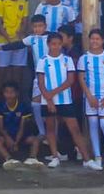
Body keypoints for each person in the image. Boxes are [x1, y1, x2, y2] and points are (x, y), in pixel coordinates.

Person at [36, 33, 100, 171]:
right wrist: (49, 99)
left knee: (75, 129)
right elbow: (41, 83)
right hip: (47, 100)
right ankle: (55, 157)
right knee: (50, 129)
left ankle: (87, 159)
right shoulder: (43, 61)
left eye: (59, 44)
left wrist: (52, 94)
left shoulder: (67, 59)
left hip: (65, 100)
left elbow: (70, 81)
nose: (56, 47)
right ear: (48, 44)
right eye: (53, 44)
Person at [0, 14, 51, 146]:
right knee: (35, 104)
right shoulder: (31, 39)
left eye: (40, 26)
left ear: (45, 26)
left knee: (52, 106)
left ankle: (52, 134)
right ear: (32, 27)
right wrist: (0, 48)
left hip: (52, 76)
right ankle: (42, 132)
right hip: (38, 76)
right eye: (35, 26)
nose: (38, 29)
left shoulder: (51, 37)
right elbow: (18, 44)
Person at [77, 29, 104, 169]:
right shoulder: (83, 59)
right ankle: (97, 156)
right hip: (90, 96)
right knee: (93, 123)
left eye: (97, 39)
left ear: (103, 41)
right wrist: (89, 96)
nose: (94, 41)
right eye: (92, 38)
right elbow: (81, 79)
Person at [0, 81, 43, 170]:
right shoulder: (1, 106)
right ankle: (9, 159)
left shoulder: (23, 106)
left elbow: (22, 127)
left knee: (35, 140)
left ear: (17, 93)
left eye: (12, 92)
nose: (9, 95)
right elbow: (1, 128)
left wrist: (16, 142)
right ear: (3, 93)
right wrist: (8, 139)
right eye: (6, 92)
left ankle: (32, 159)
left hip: (22, 135)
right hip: (7, 135)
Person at [0, 0, 30, 90]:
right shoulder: (0, 1)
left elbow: (25, 20)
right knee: (2, 72)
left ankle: (17, 98)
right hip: (4, 40)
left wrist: (20, 35)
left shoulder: (24, 1)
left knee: (18, 72)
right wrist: (9, 40)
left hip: (19, 40)